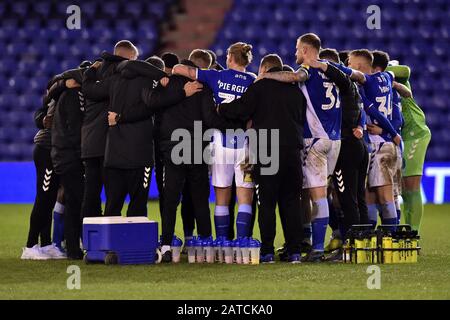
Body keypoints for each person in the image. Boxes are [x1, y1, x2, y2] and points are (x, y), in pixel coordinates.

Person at [259, 33, 341, 262]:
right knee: (325, 192)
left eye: (297, 49)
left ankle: (316, 248)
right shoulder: (333, 70)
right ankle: (334, 237)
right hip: (336, 140)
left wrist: (267, 77)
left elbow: (295, 76)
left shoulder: (308, 68)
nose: (295, 53)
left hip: (316, 139)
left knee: (316, 196)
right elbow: (356, 78)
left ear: (305, 50)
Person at [218, 54, 307, 263]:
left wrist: (221, 108)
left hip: (267, 148)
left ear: (265, 70)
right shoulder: (297, 92)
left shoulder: (260, 87)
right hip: (293, 150)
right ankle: (294, 250)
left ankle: (267, 251)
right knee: (291, 202)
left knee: (266, 202)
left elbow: (241, 109)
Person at [173, 43, 256, 240]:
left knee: (221, 199)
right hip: (245, 143)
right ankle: (243, 243)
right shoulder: (253, 80)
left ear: (230, 57)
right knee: (245, 199)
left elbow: (178, 69)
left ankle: (222, 243)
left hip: (220, 142)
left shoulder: (215, 76)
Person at [82, 54, 166, 217]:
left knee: (113, 203)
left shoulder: (114, 80)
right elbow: (149, 108)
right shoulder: (151, 85)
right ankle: (134, 242)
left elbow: (89, 90)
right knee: (138, 202)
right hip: (140, 154)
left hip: (114, 153)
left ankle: (111, 241)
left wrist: (90, 72)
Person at [80, 41, 134, 220]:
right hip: (108, 145)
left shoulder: (96, 71)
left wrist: (88, 72)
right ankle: (109, 236)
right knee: (114, 194)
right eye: (133, 60)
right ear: (127, 58)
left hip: (89, 143)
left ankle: (87, 237)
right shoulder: (119, 75)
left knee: (91, 193)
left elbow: (88, 88)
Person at [386, 62, 431, 231]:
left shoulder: (393, 75)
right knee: (404, 189)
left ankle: (414, 233)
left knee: (411, 186)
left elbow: (405, 70)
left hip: (414, 132)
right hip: (400, 135)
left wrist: (383, 71)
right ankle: (411, 230)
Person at [51, 63, 90, 259]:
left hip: (64, 155)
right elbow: (75, 129)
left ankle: (71, 245)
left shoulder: (66, 95)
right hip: (70, 157)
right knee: (77, 202)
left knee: (73, 201)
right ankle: (74, 248)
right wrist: (82, 155)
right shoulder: (73, 96)